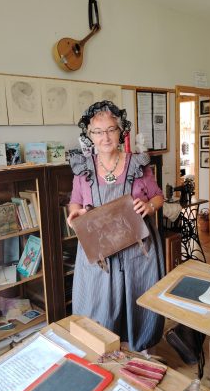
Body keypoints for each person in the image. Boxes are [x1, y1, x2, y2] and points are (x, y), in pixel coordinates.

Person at [67, 100, 165, 352]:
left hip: (136, 251)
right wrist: (74, 213)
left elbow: (157, 196)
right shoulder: (83, 169)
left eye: (111, 129)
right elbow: (75, 202)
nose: (105, 137)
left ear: (120, 131)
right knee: (98, 306)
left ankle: (139, 354)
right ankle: (103, 354)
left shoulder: (137, 164)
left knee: (136, 301)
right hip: (99, 253)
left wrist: (150, 207)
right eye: (97, 132)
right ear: (89, 135)